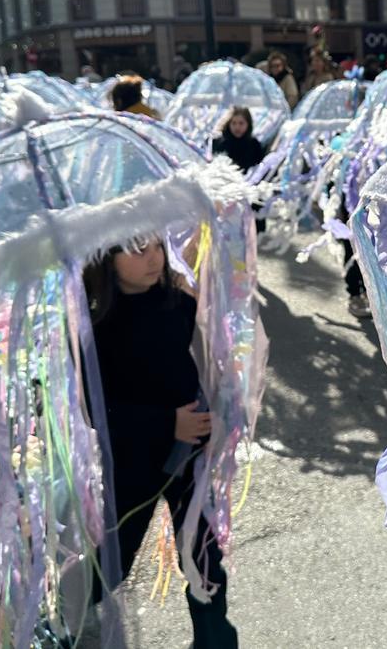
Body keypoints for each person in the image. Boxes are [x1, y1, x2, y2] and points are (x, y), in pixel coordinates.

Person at [84, 241, 238, 647]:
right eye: (136, 250)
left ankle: (215, 638)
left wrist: (217, 407)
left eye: (156, 245)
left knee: (203, 553)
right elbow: (97, 410)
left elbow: (202, 366)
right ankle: (61, 616)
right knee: (114, 558)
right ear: (106, 259)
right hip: (136, 464)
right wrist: (168, 423)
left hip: (190, 460)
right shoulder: (95, 326)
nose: (152, 257)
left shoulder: (177, 304)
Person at [212, 107, 265, 175]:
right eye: (234, 123)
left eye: (241, 123)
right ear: (229, 124)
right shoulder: (219, 142)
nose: (237, 127)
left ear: (248, 124)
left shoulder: (254, 145)